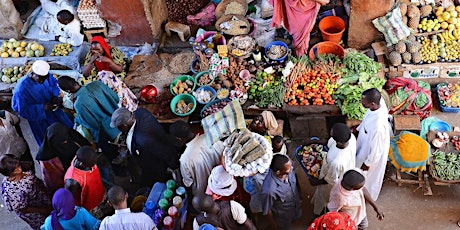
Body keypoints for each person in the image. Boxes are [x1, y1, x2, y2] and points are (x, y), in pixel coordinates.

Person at [110, 107, 180, 187]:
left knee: (158, 177)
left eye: (118, 126)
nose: (118, 129)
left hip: (156, 163)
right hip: (160, 142)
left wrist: (173, 165)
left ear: (124, 125)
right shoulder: (141, 112)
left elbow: (162, 151)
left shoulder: (142, 139)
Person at [12, 60, 73, 146]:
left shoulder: (46, 76)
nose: (43, 80)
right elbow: (20, 109)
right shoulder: (21, 89)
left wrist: (56, 96)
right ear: (32, 73)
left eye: (44, 78)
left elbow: (53, 85)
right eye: (40, 78)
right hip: (39, 119)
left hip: (55, 112)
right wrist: (41, 108)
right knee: (50, 142)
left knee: (67, 133)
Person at [57, 76, 121, 145]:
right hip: (121, 117)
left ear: (68, 91)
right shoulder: (97, 83)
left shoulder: (78, 104)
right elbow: (116, 98)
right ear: (75, 80)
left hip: (112, 131)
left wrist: (77, 119)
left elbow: (93, 124)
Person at [311, 123, 356, 216]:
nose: (330, 132)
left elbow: (331, 180)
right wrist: (311, 142)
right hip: (344, 168)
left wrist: (317, 182)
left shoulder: (337, 162)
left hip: (335, 179)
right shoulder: (351, 138)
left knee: (326, 197)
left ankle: (320, 214)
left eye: (332, 132)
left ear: (336, 139)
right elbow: (328, 142)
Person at [169, 120, 222, 196]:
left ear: (180, 139)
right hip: (222, 182)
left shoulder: (185, 160)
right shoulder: (211, 137)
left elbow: (188, 183)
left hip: (206, 192)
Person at [355, 88, 391, 201]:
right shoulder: (377, 106)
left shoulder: (378, 126)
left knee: (368, 177)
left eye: (363, 101)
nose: (361, 102)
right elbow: (367, 120)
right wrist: (358, 129)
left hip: (371, 154)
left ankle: (365, 197)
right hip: (366, 142)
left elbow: (376, 150)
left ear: (372, 104)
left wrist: (368, 163)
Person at [0, 154, 51, 230]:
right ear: (8, 173)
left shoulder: (23, 173)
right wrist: (44, 210)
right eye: (15, 169)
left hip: (42, 200)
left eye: (18, 165)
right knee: (46, 225)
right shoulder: (13, 192)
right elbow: (24, 209)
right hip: (36, 212)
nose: (19, 168)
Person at [36, 122, 91, 192]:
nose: (65, 142)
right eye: (62, 142)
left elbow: (85, 146)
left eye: (66, 140)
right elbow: (53, 182)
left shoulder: (71, 134)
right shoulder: (47, 159)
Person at [64, 146, 108, 219]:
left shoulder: (86, 158)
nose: (94, 165)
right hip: (90, 207)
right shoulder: (72, 182)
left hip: (101, 194)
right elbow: (69, 201)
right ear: (81, 164)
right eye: (92, 164)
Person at [261, 154, 301, 230]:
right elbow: (267, 210)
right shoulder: (269, 190)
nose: (292, 168)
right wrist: (273, 225)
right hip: (283, 217)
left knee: (297, 216)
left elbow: (295, 180)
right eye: (289, 168)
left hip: (296, 206)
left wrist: (300, 194)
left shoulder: (288, 166)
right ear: (278, 172)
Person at [192, 194, 256, 230]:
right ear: (213, 198)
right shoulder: (232, 206)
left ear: (201, 211)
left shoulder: (198, 222)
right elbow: (250, 226)